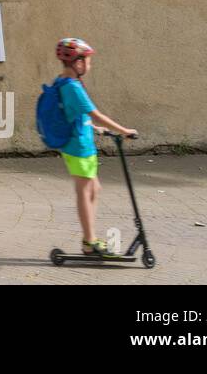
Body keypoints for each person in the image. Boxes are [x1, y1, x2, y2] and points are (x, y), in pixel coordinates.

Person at [54, 38, 137, 257]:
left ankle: (88, 238)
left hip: (78, 142)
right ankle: (89, 241)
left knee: (94, 188)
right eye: (88, 60)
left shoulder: (61, 81)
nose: (89, 65)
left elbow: (75, 114)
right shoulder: (73, 87)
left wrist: (94, 128)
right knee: (84, 190)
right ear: (78, 63)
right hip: (78, 147)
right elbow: (95, 113)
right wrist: (123, 130)